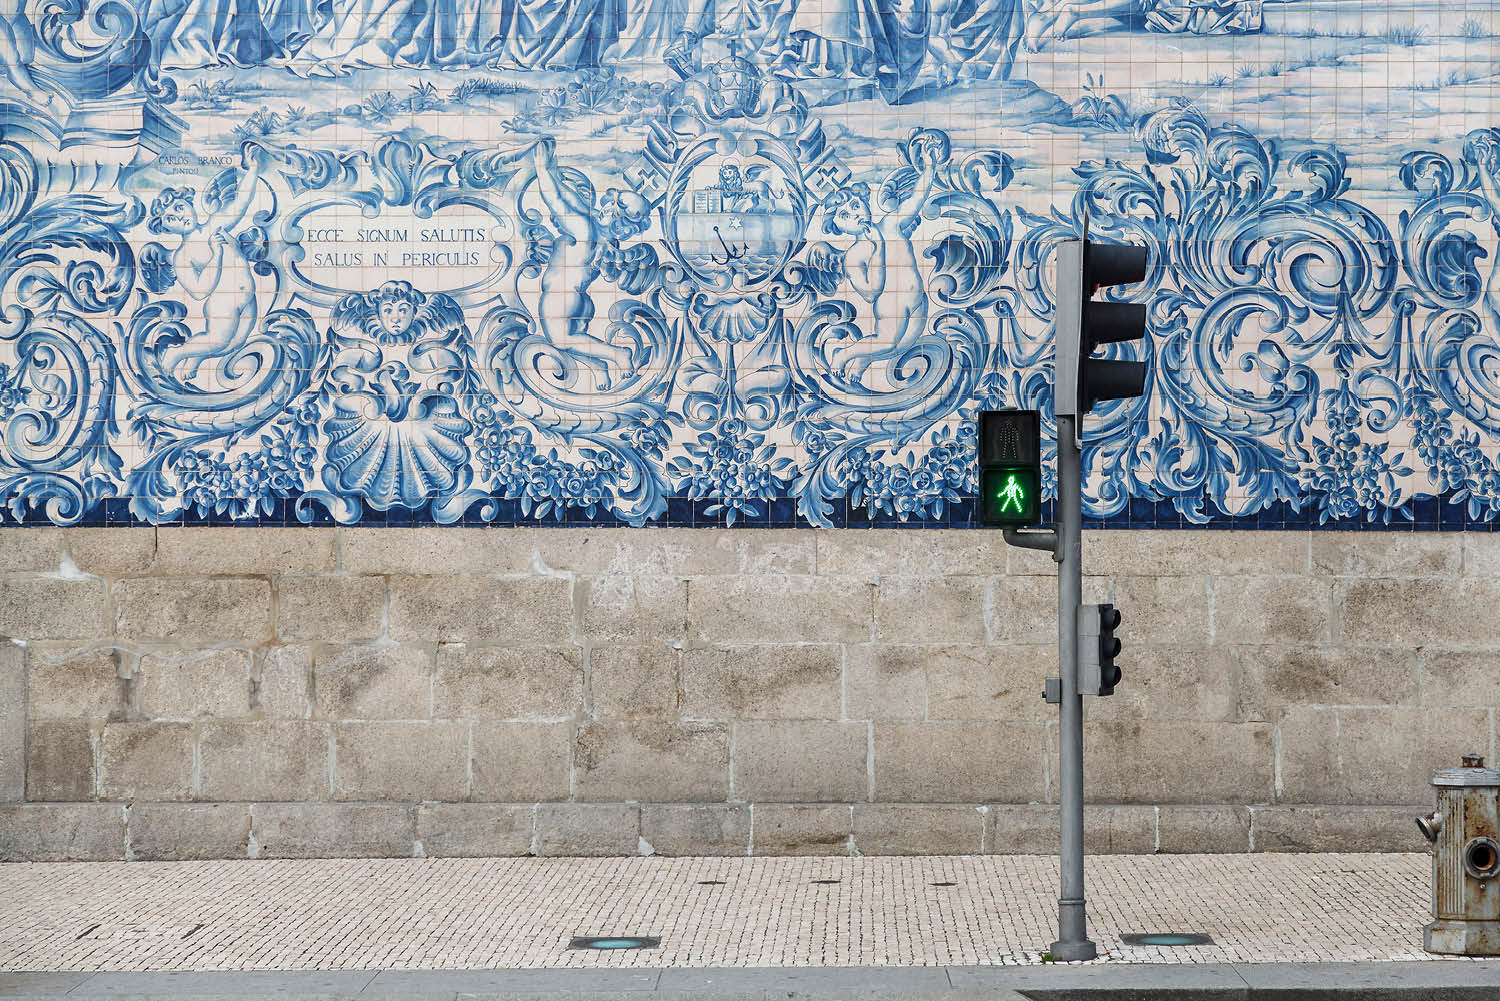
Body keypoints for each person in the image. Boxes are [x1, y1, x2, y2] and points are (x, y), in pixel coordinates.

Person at [529, 138, 651, 389]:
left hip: (561, 296)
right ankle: (598, 366)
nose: (608, 204)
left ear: (617, 215)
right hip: (580, 301)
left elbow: (558, 202)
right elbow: (572, 201)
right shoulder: (599, 234)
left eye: (616, 205)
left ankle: (618, 355)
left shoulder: (585, 229)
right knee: (573, 339)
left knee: (561, 340)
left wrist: (542, 171)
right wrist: (552, 169)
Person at [146, 145, 270, 378]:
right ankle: (177, 354)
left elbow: (241, 203)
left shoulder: (215, 224)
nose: (180, 217)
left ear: (189, 203)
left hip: (247, 299)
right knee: (218, 341)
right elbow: (199, 291)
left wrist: (252, 169)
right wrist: (218, 254)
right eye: (171, 218)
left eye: (180, 208)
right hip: (223, 305)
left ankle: (193, 363)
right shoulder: (182, 256)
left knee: (234, 344)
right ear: (165, 228)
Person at [822, 143, 939, 379]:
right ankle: (845, 355)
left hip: (917, 301)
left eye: (855, 205)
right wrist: (878, 248)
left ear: (865, 201)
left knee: (900, 347)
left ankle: (861, 362)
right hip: (891, 307)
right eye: (845, 215)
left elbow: (916, 200)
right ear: (837, 227)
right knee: (886, 344)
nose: (855, 214)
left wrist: (929, 167)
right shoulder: (855, 255)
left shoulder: (890, 223)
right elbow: (870, 292)